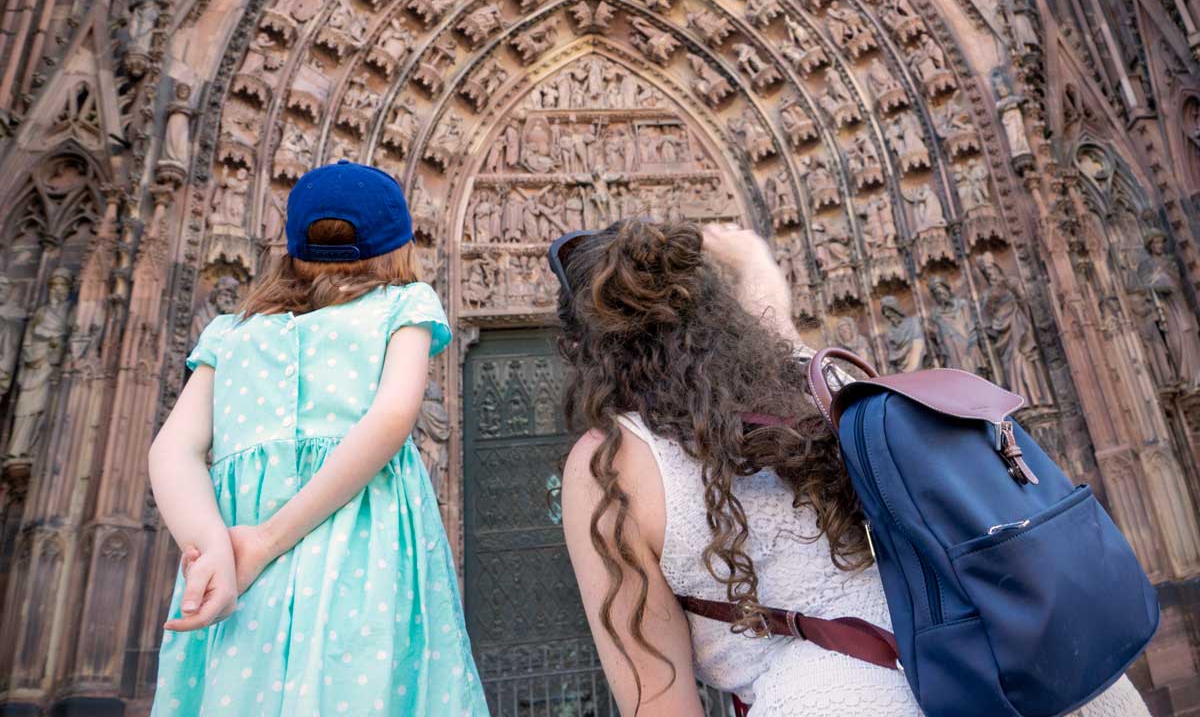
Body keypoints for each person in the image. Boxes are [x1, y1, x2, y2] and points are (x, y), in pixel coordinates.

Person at [548, 219, 1150, 716]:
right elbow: (774, 323)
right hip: (1041, 673)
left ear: (581, 350)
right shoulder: (824, 381)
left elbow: (658, 699)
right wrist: (752, 257)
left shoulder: (608, 470)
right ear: (720, 313)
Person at [148, 161, 486, 715]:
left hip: (239, 567)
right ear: (400, 248)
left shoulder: (228, 334)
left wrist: (212, 549)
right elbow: (391, 418)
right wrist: (265, 542)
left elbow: (172, 450)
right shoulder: (403, 305)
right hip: (362, 552)